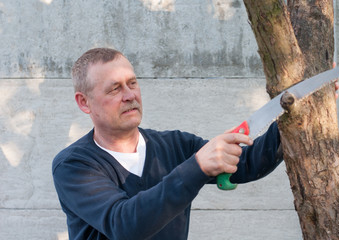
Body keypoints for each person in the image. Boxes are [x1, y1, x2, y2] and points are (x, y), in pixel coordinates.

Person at [52, 48, 283, 240]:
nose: (129, 95)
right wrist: (197, 167)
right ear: (84, 102)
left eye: (132, 83)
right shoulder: (74, 165)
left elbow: (249, 164)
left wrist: (288, 118)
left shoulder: (175, 145)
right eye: (115, 88)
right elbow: (124, 225)